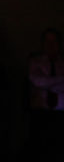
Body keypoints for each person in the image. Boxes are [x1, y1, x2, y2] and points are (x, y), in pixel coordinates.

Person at [27, 28, 64, 161]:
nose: (50, 45)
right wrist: (60, 80)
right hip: (40, 113)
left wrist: (47, 82)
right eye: (47, 41)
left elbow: (43, 82)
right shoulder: (35, 61)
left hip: (60, 114)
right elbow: (37, 81)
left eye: (54, 41)